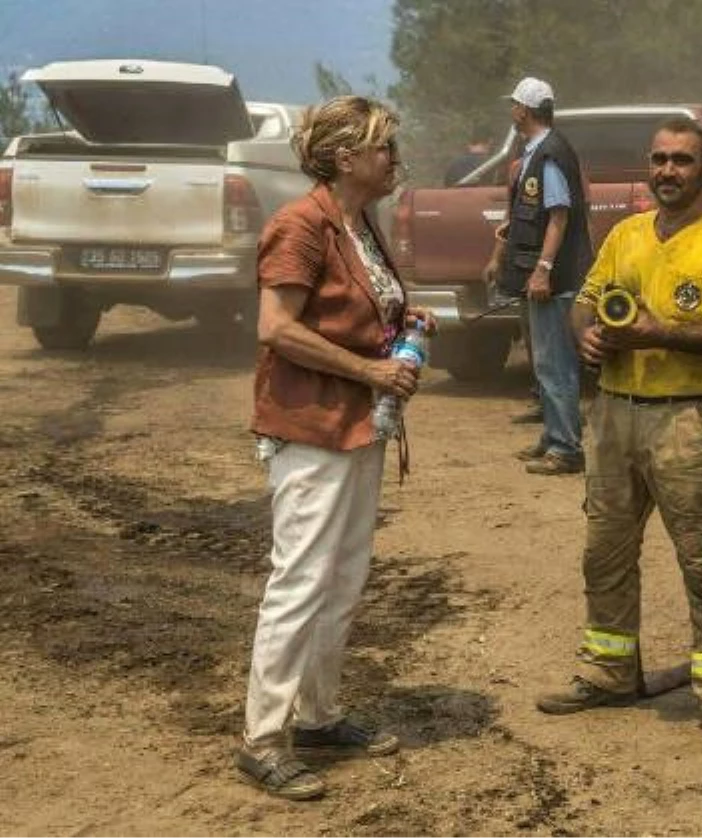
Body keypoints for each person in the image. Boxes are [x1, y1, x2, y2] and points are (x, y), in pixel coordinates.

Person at [535, 117, 702, 750]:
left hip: (686, 416)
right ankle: (607, 672)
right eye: (658, 159)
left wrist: (659, 333)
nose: (667, 171)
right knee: (604, 553)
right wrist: (588, 334)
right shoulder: (626, 233)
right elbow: (584, 301)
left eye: (682, 160)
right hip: (613, 414)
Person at [239, 96, 432, 800]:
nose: (394, 157)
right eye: (383, 146)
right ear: (346, 157)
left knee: (341, 577)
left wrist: (401, 320)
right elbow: (277, 329)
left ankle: (317, 715)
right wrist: (372, 370)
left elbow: (351, 311)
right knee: (298, 581)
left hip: (357, 426)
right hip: (311, 427)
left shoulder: (357, 224)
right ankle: (263, 739)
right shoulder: (301, 226)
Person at [483, 76, 592, 475]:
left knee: (556, 363)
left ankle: (566, 449)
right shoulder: (536, 152)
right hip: (541, 278)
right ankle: (552, 436)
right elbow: (528, 215)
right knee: (545, 362)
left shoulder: (549, 153)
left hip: (557, 280)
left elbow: (559, 216)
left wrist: (544, 271)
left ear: (523, 111)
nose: (511, 111)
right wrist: (504, 257)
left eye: (514, 105)